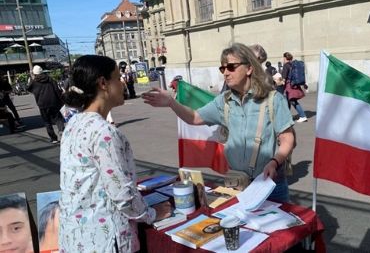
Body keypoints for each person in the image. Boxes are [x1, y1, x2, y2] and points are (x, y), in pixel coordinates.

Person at [143, 44, 297, 202]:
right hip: (237, 185)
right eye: (222, 68)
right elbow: (195, 118)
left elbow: (287, 139)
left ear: (249, 68)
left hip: (270, 185)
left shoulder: (273, 100)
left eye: (231, 67)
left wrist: (274, 162)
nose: (226, 73)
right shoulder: (224, 101)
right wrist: (171, 102)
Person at [59, 56, 173, 252]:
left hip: (77, 236)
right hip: (106, 240)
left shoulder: (74, 124)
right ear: (103, 83)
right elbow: (122, 195)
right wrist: (153, 213)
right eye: (118, 78)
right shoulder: (104, 132)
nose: (123, 84)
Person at [28, 65, 64, 143]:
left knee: (47, 121)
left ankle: (53, 138)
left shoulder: (34, 82)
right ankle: (61, 131)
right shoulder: (50, 79)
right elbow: (57, 90)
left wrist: (32, 79)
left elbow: (29, 88)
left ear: (34, 73)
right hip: (53, 101)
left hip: (42, 103)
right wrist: (61, 100)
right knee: (58, 118)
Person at [280, 52, 308, 122]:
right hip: (294, 84)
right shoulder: (293, 64)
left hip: (289, 86)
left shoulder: (286, 65)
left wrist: (279, 84)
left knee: (293, 101)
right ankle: (287, 117)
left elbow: (284, 78)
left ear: (285, 58)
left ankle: (303, 116)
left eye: (283, 58)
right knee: (288, 101)